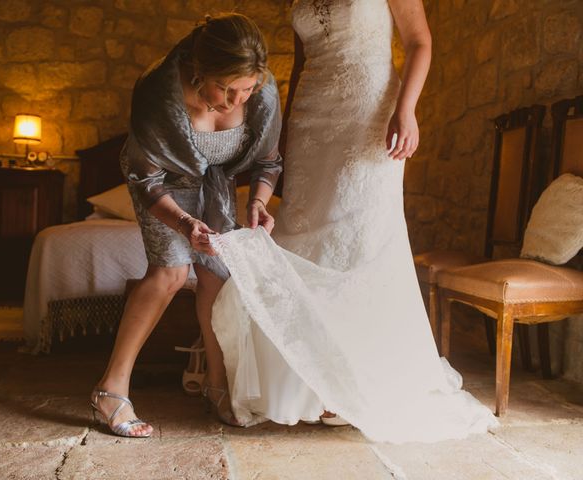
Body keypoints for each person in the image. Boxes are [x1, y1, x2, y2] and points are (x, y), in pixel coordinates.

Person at [210, 0, 499, 443]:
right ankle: (312, 379)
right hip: (311, 117)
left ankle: (350, 381)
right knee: (302, 233)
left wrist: (407, 108)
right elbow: (302, 60)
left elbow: (420, 41)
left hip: (368, 111)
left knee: (355, 237)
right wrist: (286, 131)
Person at [90, 13, 283, 437]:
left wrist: (258, 203)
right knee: (171, 273)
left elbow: (268, 163)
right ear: (199, 72)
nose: (236, 102)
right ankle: (110, 390)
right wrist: (184, 223)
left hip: (217, 181)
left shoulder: (262, 91)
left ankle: (216, 385)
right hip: (160, 180)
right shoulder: (159, 93)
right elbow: (145, 179)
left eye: (246, 90)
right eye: (225, 89)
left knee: (217, 275)